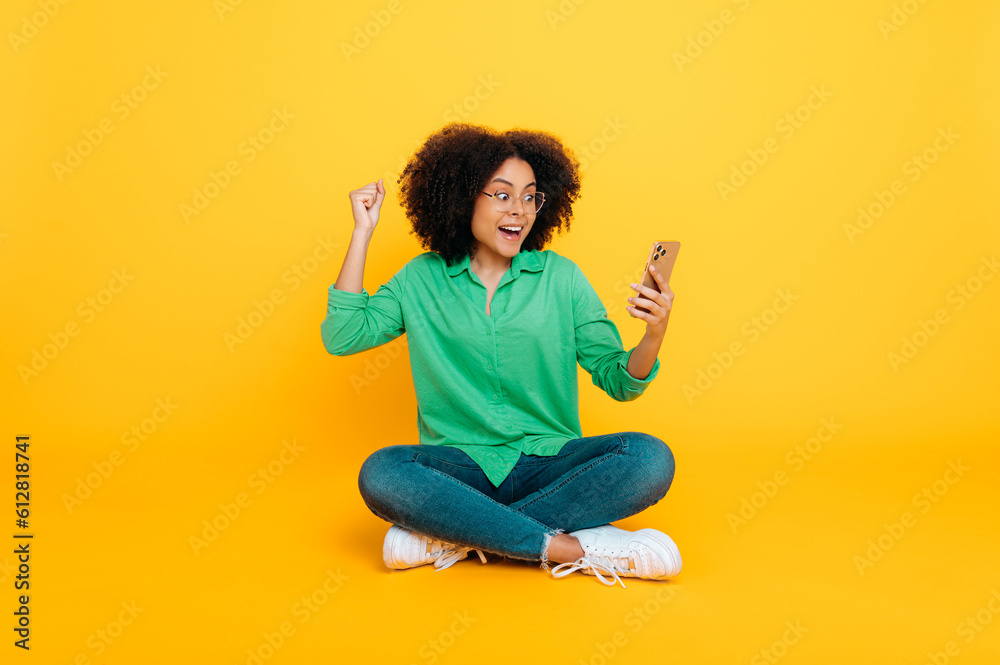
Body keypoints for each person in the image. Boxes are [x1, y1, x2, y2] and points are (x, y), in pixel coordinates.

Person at [321, 123, 680, 588]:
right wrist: (362, 233)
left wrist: (655, 333)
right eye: (503, 195)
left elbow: (618, 380)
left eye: (531, 197)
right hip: (460, 471)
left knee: (649, 458)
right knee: (382, 473)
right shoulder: (420, 279)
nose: (520, 211)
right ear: (463, 197)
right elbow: (344, 334)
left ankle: (455, 535)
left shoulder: (562, 278)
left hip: (549, 464)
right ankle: (571, 547)